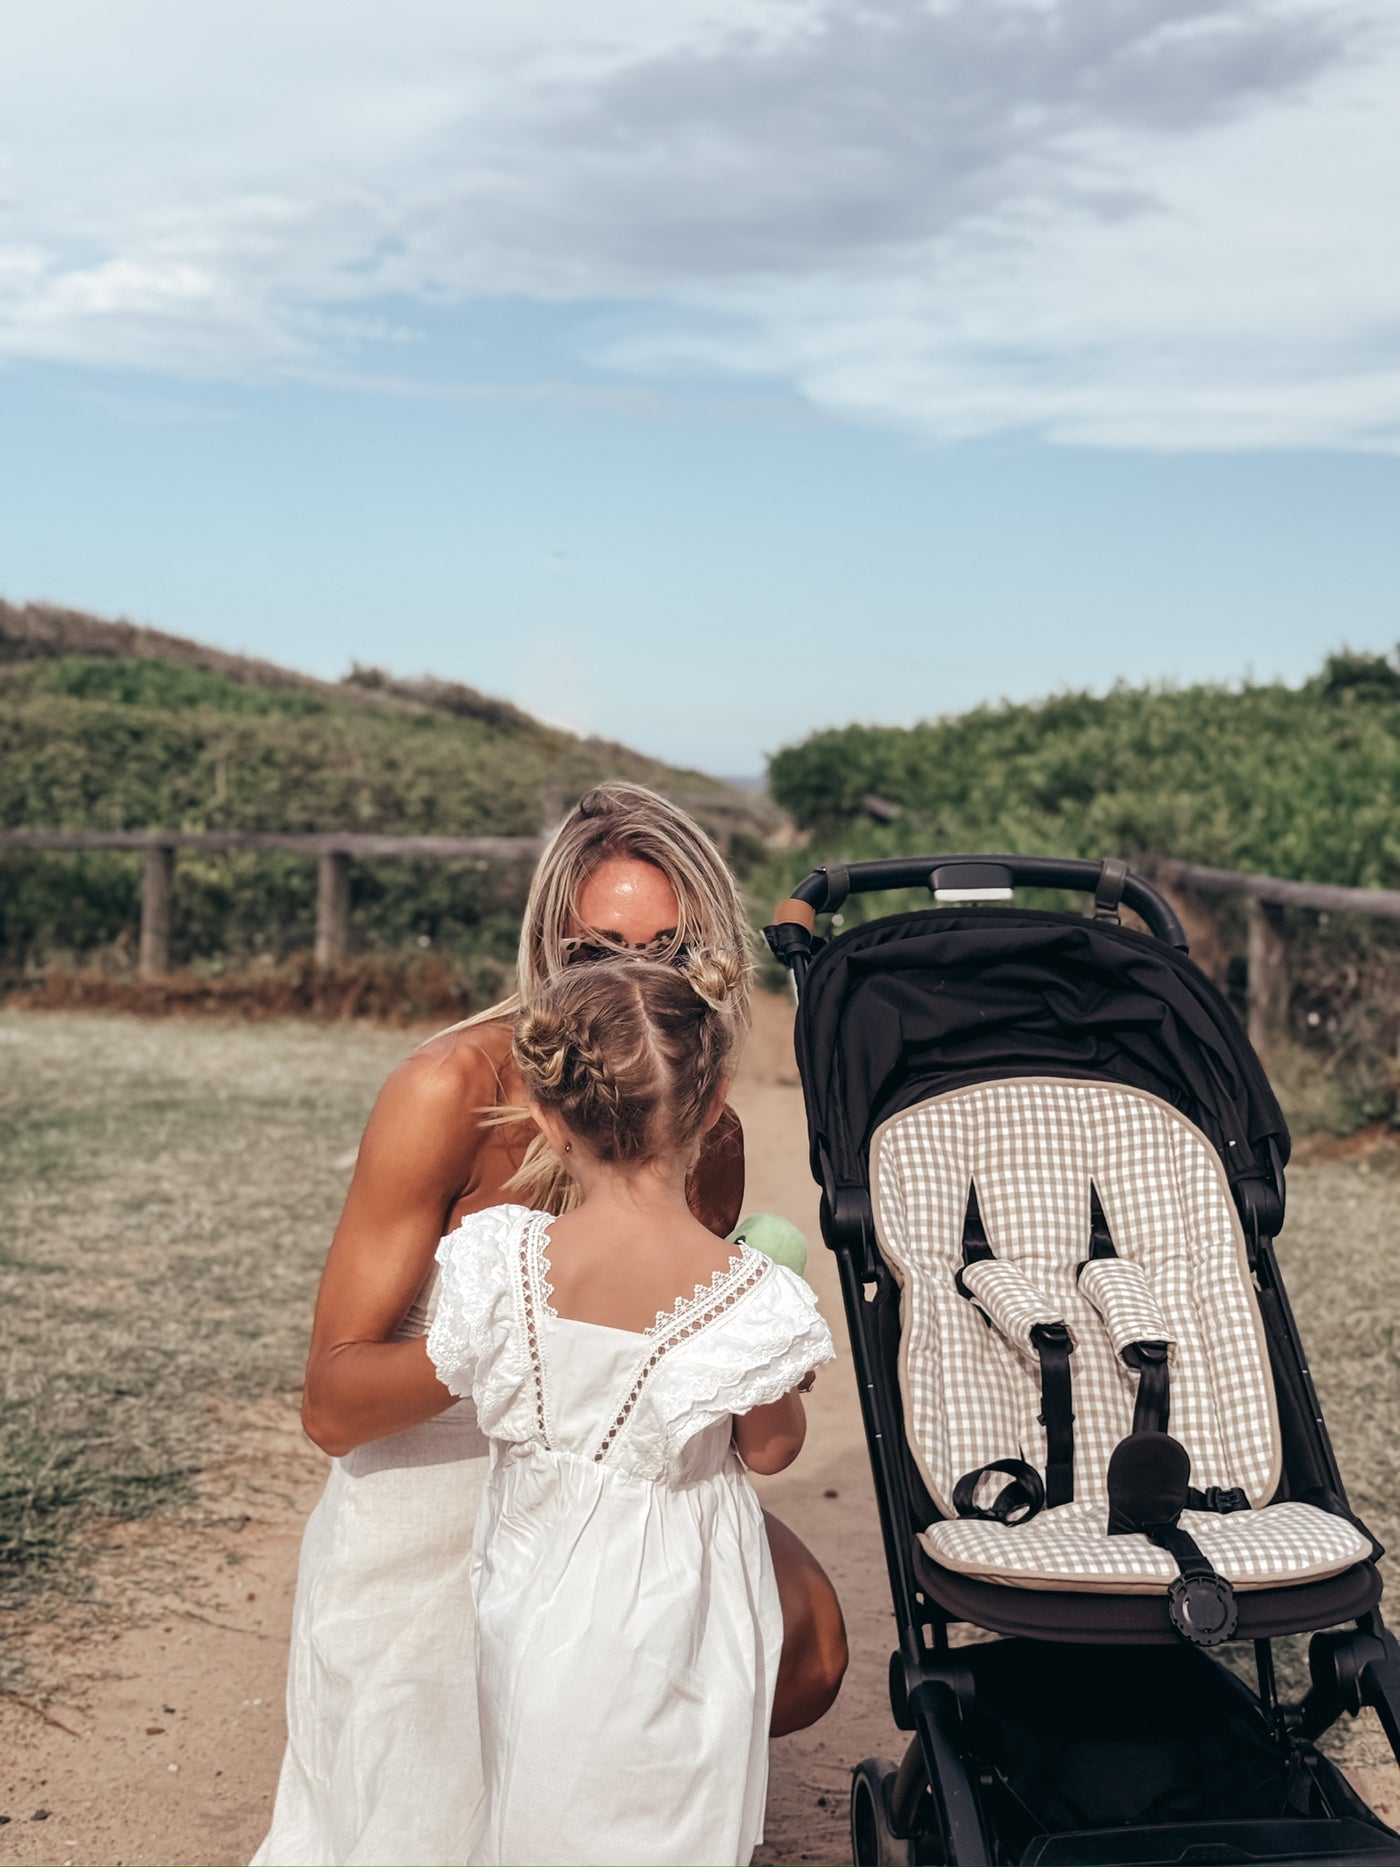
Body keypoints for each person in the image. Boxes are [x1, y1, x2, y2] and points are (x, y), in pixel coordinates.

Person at [253, 783, 847, 1867]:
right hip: (441, 1481)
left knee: (808, 1640)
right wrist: (522, 1337)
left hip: (615, 1479)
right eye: (595, 950)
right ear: (545, 947)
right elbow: (331, 1404)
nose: (632, 978)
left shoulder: (696, 1116)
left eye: (669, 950)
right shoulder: (446, 1088)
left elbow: (729, 1408)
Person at [429, 952, 836, 1866]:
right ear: (717, 1091)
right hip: (674, 1614)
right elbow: (770, 1451)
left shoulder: (496, 1258)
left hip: (530, 1595)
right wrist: (768, 1383)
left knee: (538, 1799)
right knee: (668, 1816)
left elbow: (473, 1374)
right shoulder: (749, 1294)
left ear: (545, 1111)